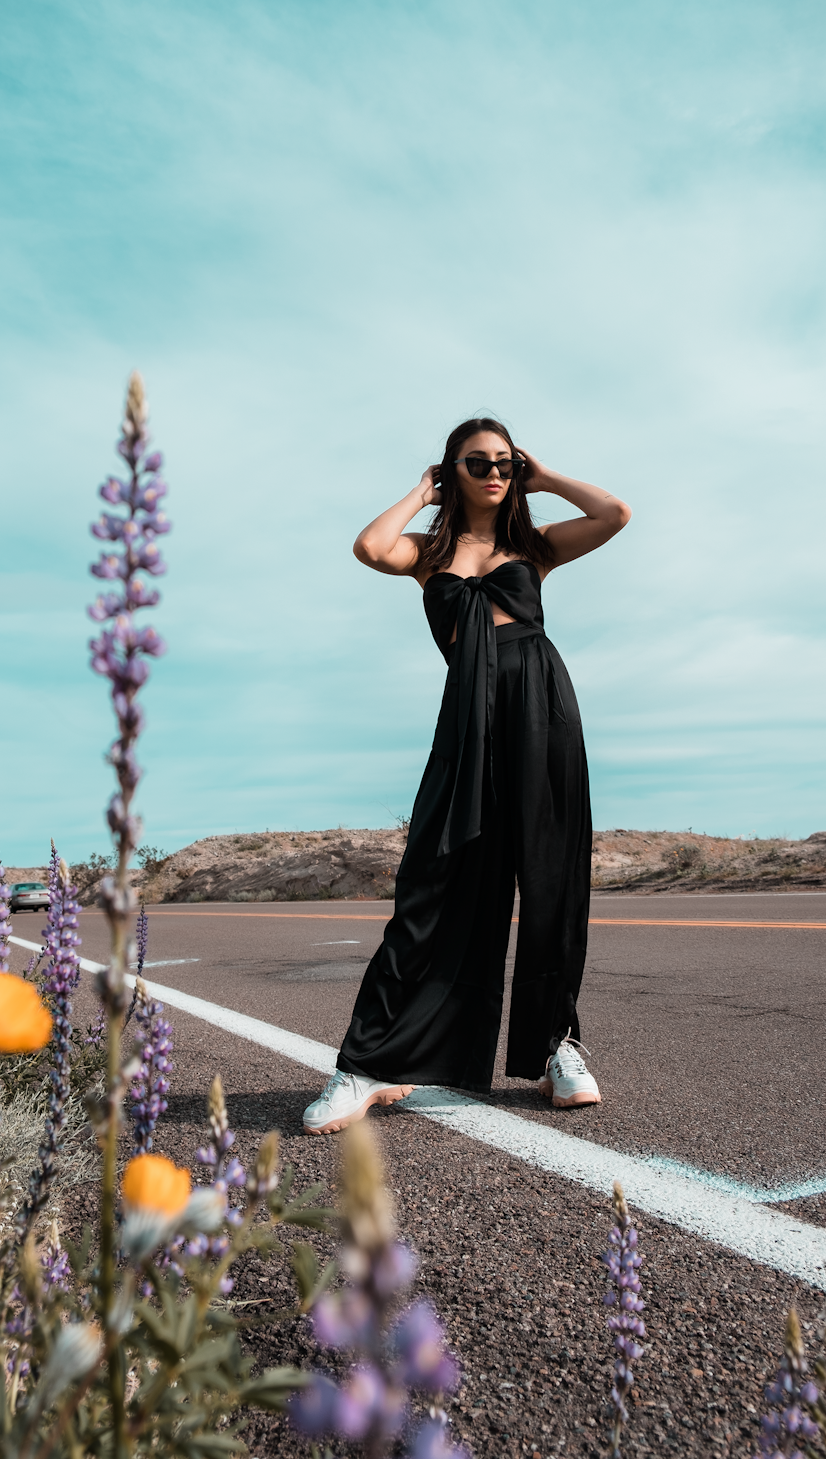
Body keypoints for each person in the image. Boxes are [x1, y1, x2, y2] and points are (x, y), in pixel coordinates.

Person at [302, 417, 631, 1134]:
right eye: (477, 462)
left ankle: (556, 1049)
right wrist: (423, 490)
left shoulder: (533, 547)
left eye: (505, 462)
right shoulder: (429, 554)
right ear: (454, 471)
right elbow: (369, 546)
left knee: (549, 880)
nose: (494, 472)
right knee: (431, 883)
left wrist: (543, 478)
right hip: (466, 723)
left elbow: (614, 514)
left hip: (542, 709)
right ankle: (370, 1064)